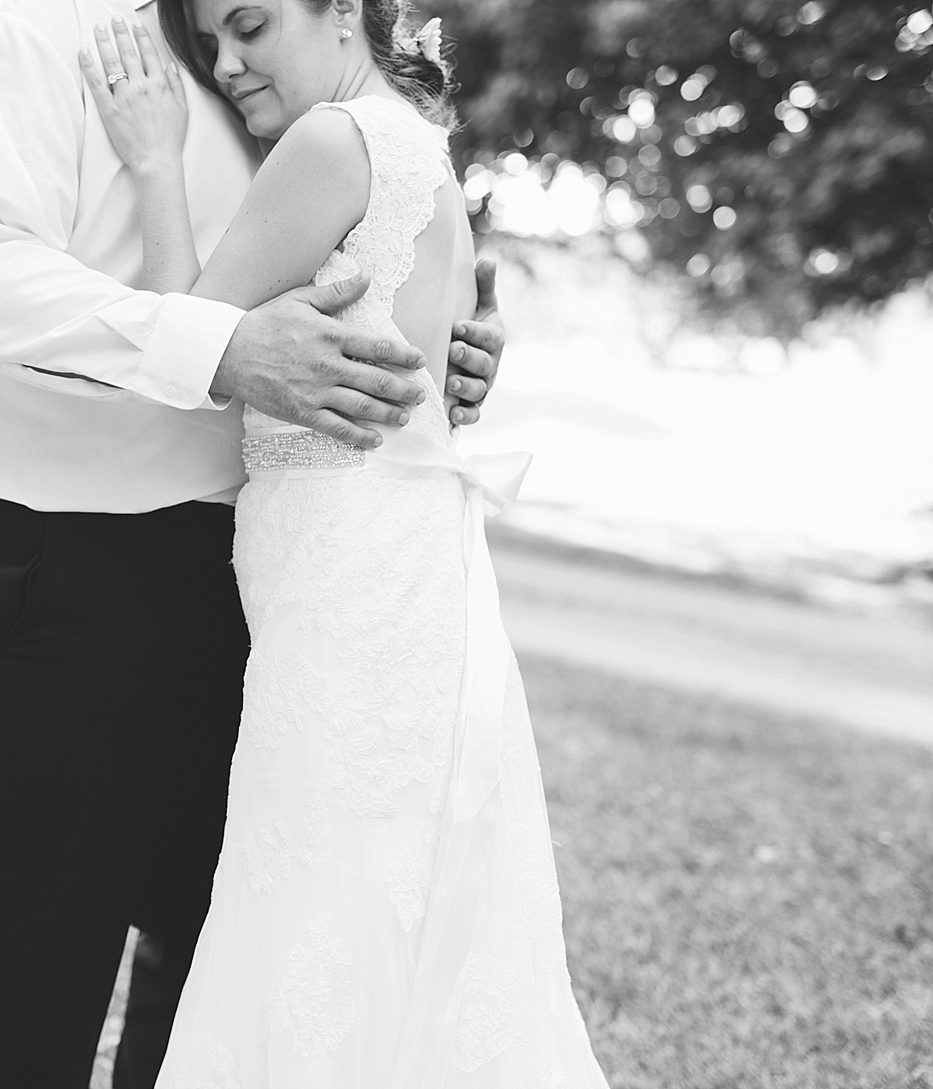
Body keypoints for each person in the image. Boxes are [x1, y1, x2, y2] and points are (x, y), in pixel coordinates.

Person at [0, 0, 507, 1082]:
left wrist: (444, 346)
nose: (232, 60)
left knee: (220, 976)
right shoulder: (21, 32)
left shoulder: (258, 70)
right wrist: (220, 347)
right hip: (62, 564)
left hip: (265, 583)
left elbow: (361, 255)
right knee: (36, 1001)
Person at [74, 0, 610, 1084]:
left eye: (248, 26)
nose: (223, 64)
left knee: (315, 888)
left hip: (349, 585)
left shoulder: (332, 141)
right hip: (408, 567)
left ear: (335, 8)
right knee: (388, 888)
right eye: (210, 43)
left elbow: (185, 343)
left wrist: (150, 161)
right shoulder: (418, 149)